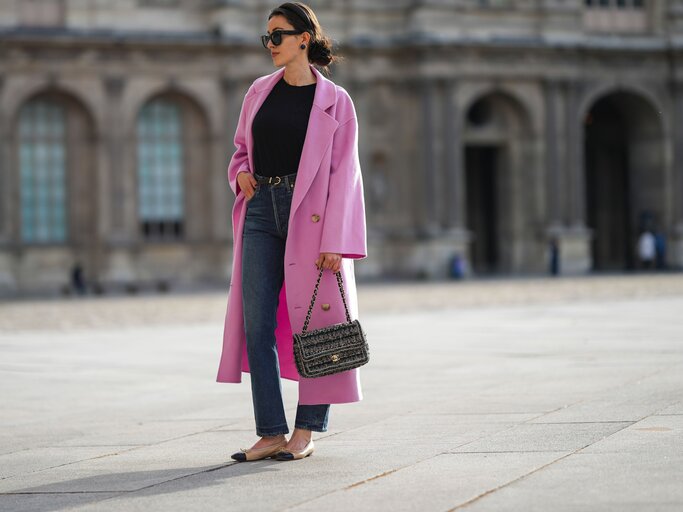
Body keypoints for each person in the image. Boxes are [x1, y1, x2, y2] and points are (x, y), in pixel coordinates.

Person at [216, 2, 368, 462]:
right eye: (266, 37)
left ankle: (306, 431)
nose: (270, 45)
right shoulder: (258, 92)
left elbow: (346, 174)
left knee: (319, 322)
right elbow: (242, 150)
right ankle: (270, 432)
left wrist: (336, 243)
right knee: (256, 323)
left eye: (277, 36)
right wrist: (239, 174)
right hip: (262, 209)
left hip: (312, 218)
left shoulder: (336, 101)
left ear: (304, 38)